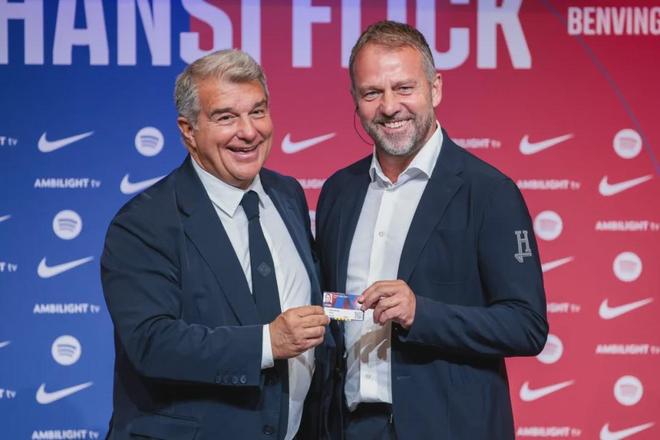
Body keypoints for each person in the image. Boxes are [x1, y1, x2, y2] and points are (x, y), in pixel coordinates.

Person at [315, 21, 548, 439]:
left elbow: (526, 325)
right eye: (372, 93)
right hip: (352, 427)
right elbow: (339, 307)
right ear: (355, 100)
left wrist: (420, 313)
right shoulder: (338, 191)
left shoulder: (489, 191)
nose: (389, 106)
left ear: (435, 89)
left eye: (404, 88)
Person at [101, 49, 331, 440]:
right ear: (188, 130)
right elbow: (151, 342)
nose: (249, 131)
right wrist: (267, 342)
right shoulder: (143, 223)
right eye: (226, 117)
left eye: (257, 111)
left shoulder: (287, 194)